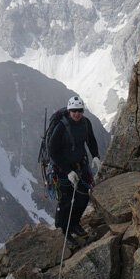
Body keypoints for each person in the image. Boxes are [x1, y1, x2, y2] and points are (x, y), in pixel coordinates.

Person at [47, 95, 101, 238]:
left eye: (80, 110)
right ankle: (62, 231)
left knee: (82, 198)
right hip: (63, 169)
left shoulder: (85, 123)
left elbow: (91, 141)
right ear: (69, 111)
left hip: (80, 166)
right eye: (74, 111)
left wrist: (95, 155)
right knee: (66, 201)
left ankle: (74, 224)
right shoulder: (61, 127)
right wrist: (68, 171)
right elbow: (53, 151)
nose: (77, 113)